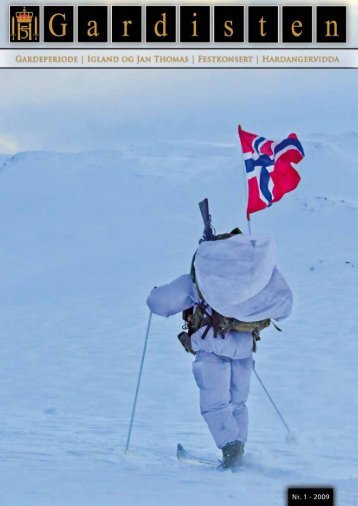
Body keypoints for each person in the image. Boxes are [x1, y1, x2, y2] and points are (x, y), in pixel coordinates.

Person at [147, 228, 292, 469]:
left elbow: (158, 303)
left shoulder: (202, 280)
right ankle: (237, 450)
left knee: (215, 405)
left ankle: (231, 451)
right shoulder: (253, 279)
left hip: (213, 349)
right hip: (245, 350)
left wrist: (154, 294)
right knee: (238, 403)